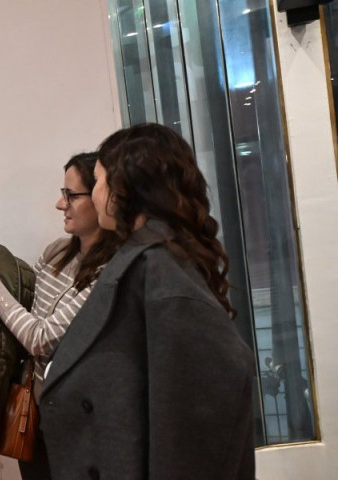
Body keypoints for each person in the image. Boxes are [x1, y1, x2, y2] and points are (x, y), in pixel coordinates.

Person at [37, 124, 255, 479]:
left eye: (99, 181)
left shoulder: (159, 270)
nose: (93, 195)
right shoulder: (142, 261)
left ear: (124, 188)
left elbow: (199, 415)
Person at [0, 153, 119, 476]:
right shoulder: (57, 251)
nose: (60, 204)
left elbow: (38, 338)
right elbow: (27, 311)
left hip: (74, 420)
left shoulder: (106, 273)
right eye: (63, 192)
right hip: (32, 410)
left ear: (101, 198)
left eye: (71, 195)